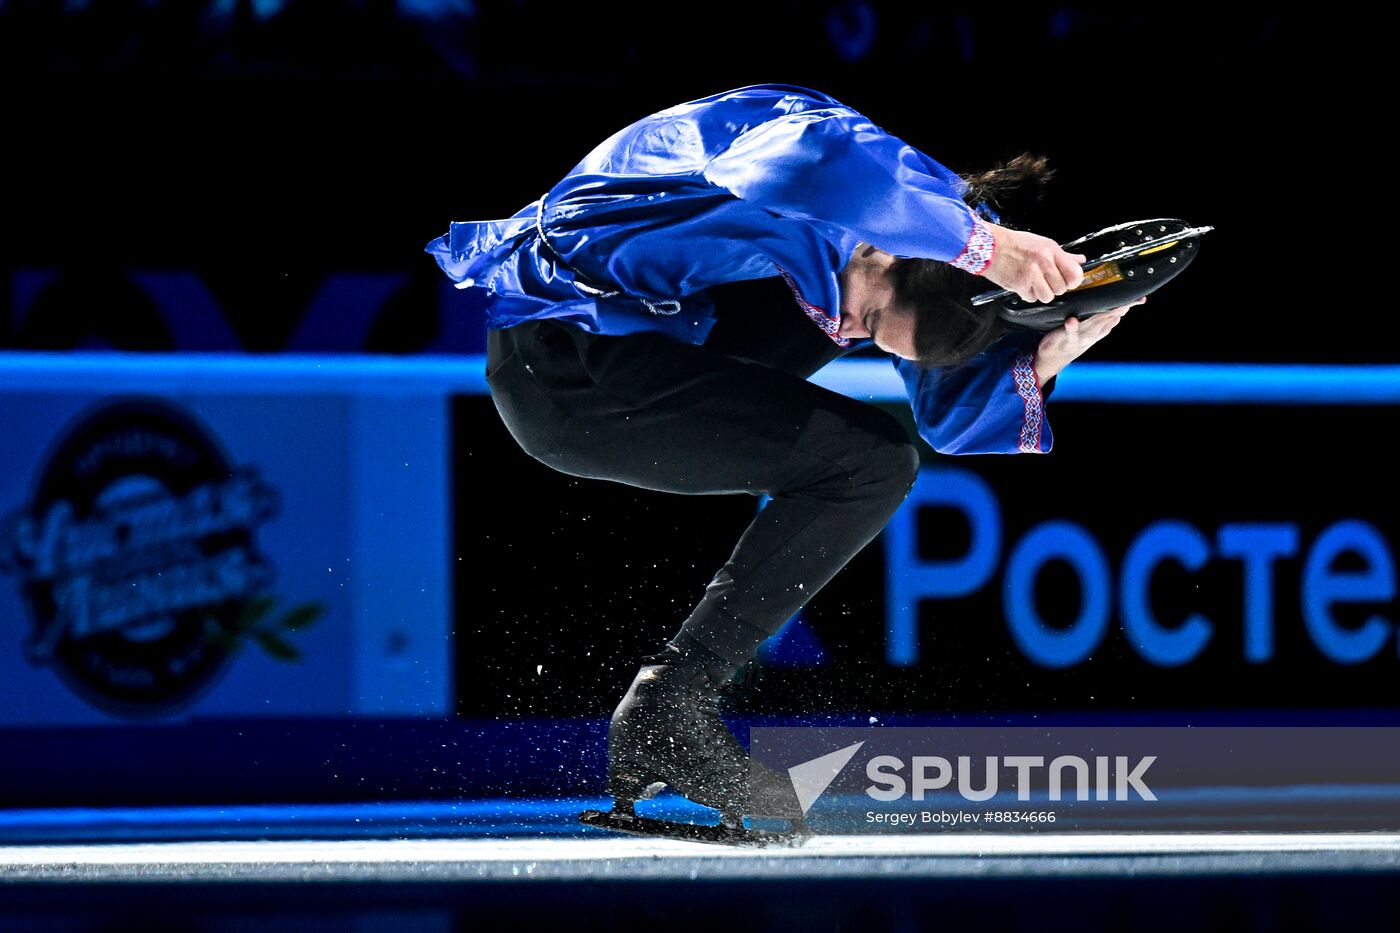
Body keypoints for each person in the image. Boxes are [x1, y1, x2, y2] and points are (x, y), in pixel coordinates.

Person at [424, 83, 1141, 827]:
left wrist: (1048, 351)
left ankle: (665, 711)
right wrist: (986, 249)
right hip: (564, 361)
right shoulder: (833, 159)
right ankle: (668, 709)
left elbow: (946, 422)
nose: (850, 331)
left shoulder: (924, 237)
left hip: (642, 343)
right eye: (867, 320)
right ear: (890, 248)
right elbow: (803, 163)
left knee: (878, 455)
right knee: (866, 462)